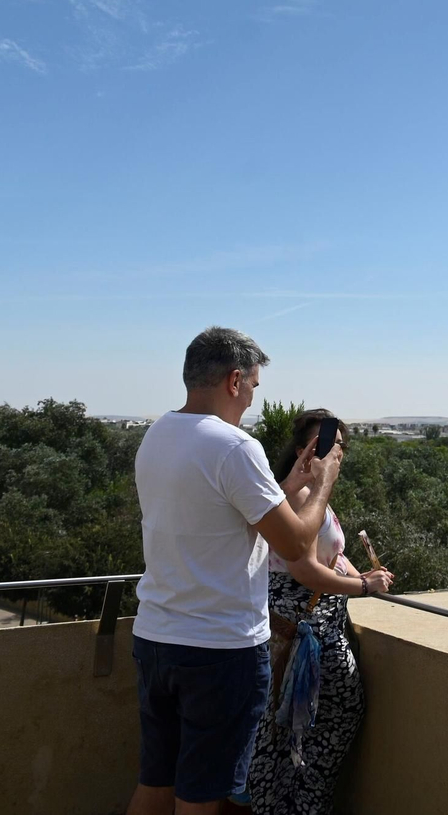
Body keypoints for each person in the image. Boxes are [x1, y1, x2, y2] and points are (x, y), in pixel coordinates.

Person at [129, 327, 343, 815]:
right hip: (219, 651)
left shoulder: (159, 433)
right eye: (252, 386)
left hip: (157, 638)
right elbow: (294, 542)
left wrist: (286, 485)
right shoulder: (235, 447)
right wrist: (324, 482)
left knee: (155, 784)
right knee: (202, 799)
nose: (250, 398)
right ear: (233, 380)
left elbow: (224, 512)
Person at [244, 409, 393, 815]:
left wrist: (358, 572)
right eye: (328, 444)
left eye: (340, 445)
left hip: (308, 632)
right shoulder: (299, 496)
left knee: (293, 731)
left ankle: (299, 805)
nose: (336, 453)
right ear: (302, 451)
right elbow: (304, 570)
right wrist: (364, 586)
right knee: (315, 724)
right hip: (304, 635)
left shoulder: (313, 499)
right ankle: (297, 806)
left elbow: (330, 556)